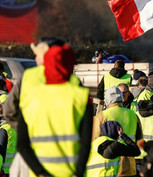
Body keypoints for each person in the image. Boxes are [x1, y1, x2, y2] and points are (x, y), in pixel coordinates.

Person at [17, 44, 93, 176]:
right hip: (71, 172)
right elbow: (85, 143)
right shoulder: (81, 97)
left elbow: (22, 145)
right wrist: (78, 172)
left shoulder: (30, 98)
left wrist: (40, 173)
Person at [92, 86, 141, 177]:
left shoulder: (100, 117)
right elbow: (139, 139)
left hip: (110, 169)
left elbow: (93, 143)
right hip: (130, 168)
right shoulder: (133, 115)